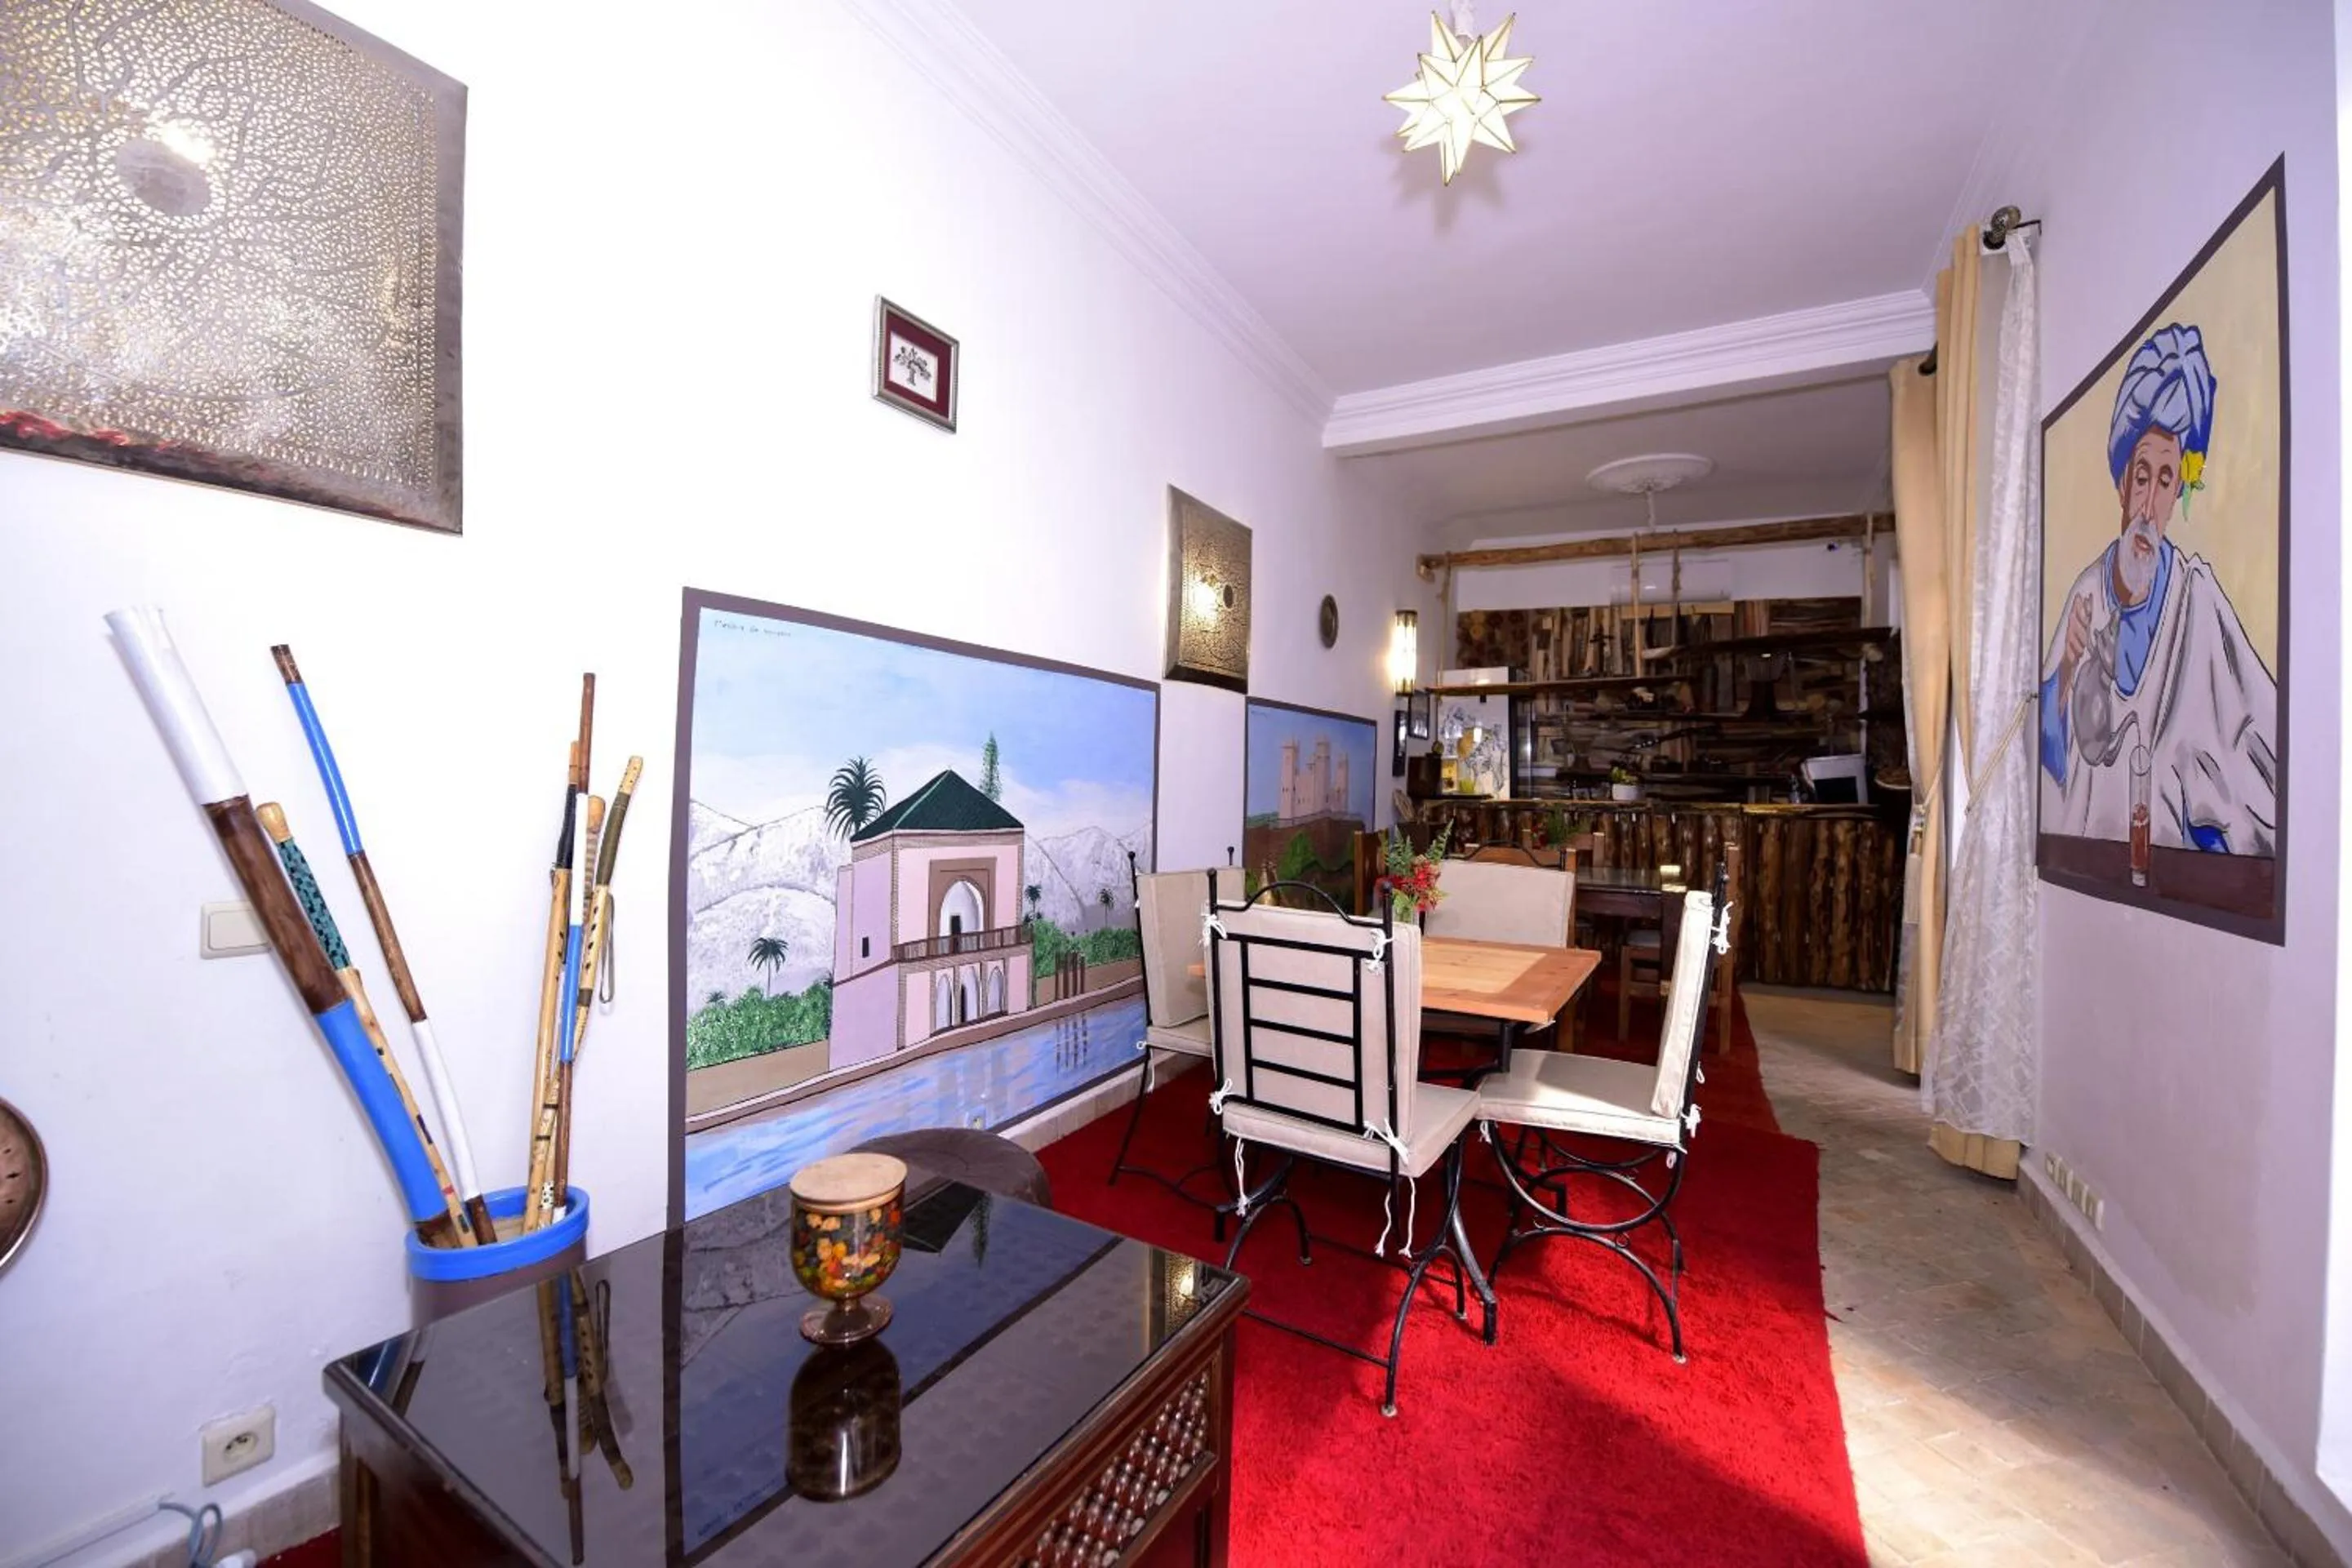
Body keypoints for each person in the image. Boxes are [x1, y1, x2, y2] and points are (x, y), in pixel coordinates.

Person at [2038, 324, 2276, 854]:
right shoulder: (2085, 593)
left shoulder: (2198, 601)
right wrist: (2070, 670)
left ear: (2177, 495)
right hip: (2093, 860)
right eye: (2141, 476)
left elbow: (2253, 742)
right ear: (2122, 483)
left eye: (2164, 481)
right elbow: (2047, 750)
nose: (2146, 506)